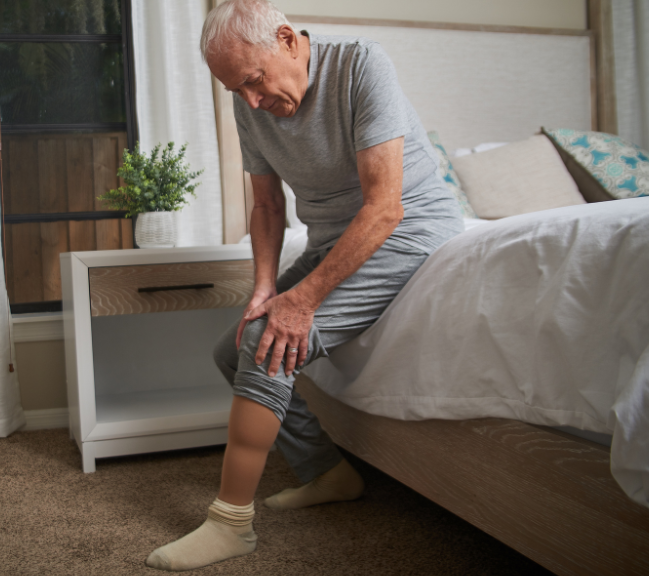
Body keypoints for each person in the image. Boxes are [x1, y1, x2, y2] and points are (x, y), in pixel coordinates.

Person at [144, 0, 465, 571]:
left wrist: (305, 300)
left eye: (254, 82)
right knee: (234, 347)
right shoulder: (252, 104)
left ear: (288, 41)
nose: (250, 101)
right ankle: (329, 472)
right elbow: (266, 204)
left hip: (405, 228)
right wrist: (265, 289)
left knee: (263, 344)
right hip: (331, 241)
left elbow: (384, 207)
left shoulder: (361, 65)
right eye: (235, 91)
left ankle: (231, 524)